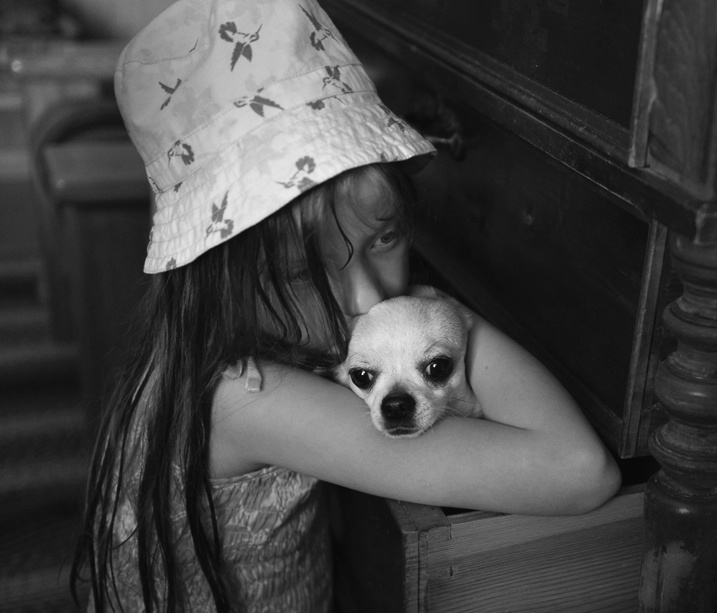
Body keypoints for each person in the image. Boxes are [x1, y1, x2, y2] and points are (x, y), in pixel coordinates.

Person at [70, 0, 621, 611]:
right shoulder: (250, 398)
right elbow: (579, 469)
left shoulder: (215, 337)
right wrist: (443, 312)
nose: (369, 297)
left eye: (384, 239)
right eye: (302, 272)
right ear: (215, 279)